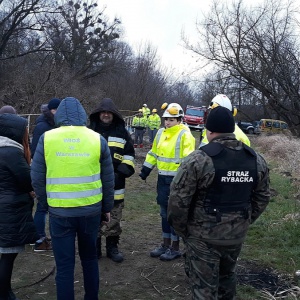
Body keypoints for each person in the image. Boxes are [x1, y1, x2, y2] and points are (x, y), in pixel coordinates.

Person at [168, 106, 270, 299]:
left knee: (203, 289)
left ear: (209, 130)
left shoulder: (199, 159)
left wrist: (184, 231)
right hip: (235, 236)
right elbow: (263, 197)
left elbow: (177, 201)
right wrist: (243, 221)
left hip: (203, 239)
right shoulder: (256, 159)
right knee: (227, 279)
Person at [31, 97, 114, 300]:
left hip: (60, 212)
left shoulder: (47, 138)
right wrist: (107, 207)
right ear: (82, 115)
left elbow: (37, 176)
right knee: (89, 259)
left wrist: (45, 202)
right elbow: (108, 177)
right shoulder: (96, 138)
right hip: (91, 211)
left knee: (65, 266)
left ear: (58, 115)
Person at [139, 103, 195, 261]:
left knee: (174, 215)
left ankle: (175, 247)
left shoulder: (185, 135)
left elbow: (189, 160)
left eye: (171, 120)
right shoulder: (160, 133)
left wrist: (185, 180)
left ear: (179, 120)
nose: (167, 122)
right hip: (163, 179)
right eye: (166, 119)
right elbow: (153, 153)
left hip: (178, 181)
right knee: (164, 213)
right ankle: (165, 243)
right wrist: (146, 170)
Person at [89, 98, 135, 263]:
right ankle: (94, 248)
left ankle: (112, 248)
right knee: (93, 217)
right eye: (103, 112)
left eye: (109, 112)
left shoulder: (122, 132)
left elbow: (130, 156)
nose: (106, 115)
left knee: (114, 218)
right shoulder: (90, 131)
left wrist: (120, 174)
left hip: (116, 185)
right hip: (93, 184)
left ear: (114, 114)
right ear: (98, 114)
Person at [0, 113, 38, 300]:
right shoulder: (11, 152)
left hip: (5, 206)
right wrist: (32, 190)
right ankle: (4, 292)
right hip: (9, 211)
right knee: (8, 254)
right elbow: (27, 180)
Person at [31, 98, 61, 252]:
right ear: (52, 110)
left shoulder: (49, 124)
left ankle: (39, 236)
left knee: (42, 208)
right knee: (42, 207)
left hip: (47, 171)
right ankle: (39, 240)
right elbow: (36, 152)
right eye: (57, 110)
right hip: (44, 172)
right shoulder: (44, 127)